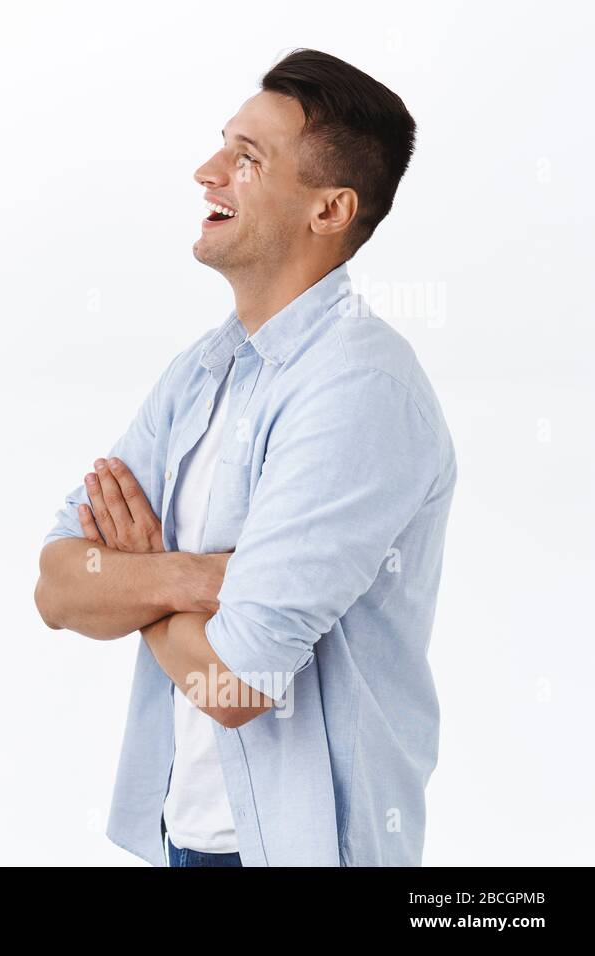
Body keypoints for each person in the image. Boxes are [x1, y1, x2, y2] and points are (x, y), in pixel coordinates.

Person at [33, 49, 456, 866]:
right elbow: (55, 586)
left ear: (330, 209)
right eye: (223, 145)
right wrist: (188, 575)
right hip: (179, 840)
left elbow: (237, 688)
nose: (207, 172)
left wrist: (134, 576)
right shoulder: (202, 371)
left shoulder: (359, 390)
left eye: (246, 159)